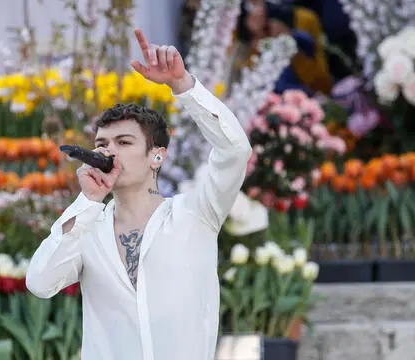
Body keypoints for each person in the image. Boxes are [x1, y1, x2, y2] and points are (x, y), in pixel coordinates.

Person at [25, 28, 252, 360]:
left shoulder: (195, 213)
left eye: (124, 142)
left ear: (156, 156)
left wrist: (183, 85)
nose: (110, 151)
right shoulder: (87, 229)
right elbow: (41, 283)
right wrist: (87, 201)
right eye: (102, 144)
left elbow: (235, 151)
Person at [235, 0, 333, 95]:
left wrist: (289, 46)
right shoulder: (237, 30)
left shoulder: (302, 21)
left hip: (304, 99)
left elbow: (324, 86)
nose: (254, 12)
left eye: (256, 4)